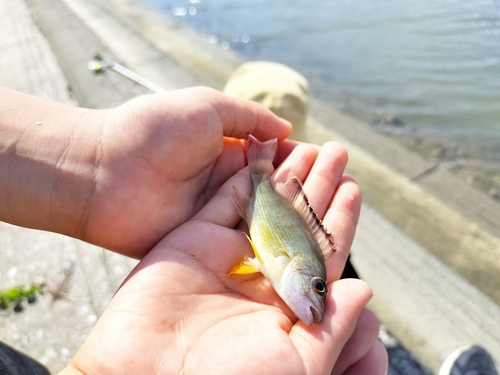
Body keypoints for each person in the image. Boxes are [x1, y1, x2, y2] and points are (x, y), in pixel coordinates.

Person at [0, 86, 388, 374]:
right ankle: (261, 171)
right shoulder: (295, 260)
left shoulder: (291, 268)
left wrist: (97, 161)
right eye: (319, 287)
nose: (317, 300)